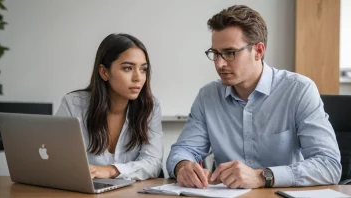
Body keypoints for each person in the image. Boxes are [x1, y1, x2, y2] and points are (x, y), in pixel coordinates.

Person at [166, 5, 341, 189]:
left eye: (229, 53)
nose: (219, 63)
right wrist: (183, 166)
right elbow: (182, 150)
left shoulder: (298, 91)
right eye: (215, 53)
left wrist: (262, 176)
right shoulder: (207, 96)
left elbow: (329, 165)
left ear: (258, 51)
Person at [56, 33, 163, 180]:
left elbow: (153, 163)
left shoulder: (150, 107)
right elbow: (56, 159)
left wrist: (111, 170)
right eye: (128, 68)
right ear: (104, 72)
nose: (138, 77)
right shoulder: (73, 105)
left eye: (143, 69)